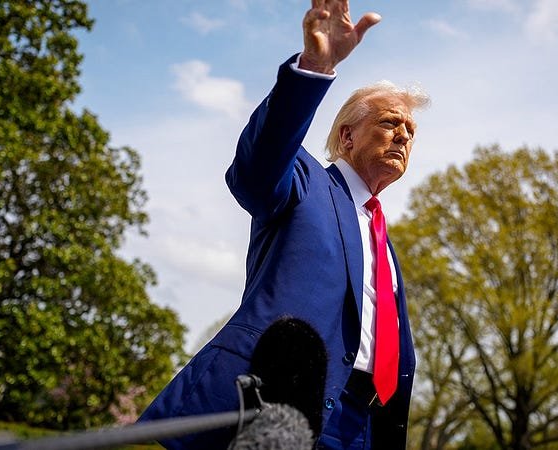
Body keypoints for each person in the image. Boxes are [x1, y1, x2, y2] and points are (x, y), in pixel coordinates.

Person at [139, 1, 429, 448]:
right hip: (275, 402)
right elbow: (258, 167)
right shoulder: (305, 180)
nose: (403, 135)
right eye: (391, 122)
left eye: (410, 130)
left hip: (363, 425)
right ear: (347, 136)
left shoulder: (384, 242)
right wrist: (313, 69)